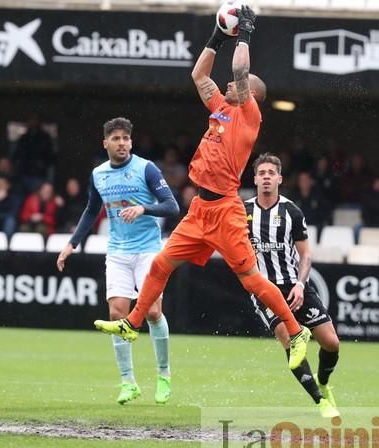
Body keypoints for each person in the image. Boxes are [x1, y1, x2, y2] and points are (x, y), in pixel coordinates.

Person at [94, 6, 311, 371]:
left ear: (250, 95)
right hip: (200, 208)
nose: (226, 86)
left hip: (226, 210)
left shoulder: (249, 115)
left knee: (252, 281)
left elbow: (240, 71)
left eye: (235, 86)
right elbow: (199, 74)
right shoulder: (223, 107)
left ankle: (295, 330)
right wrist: (217, 37)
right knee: (161, 264)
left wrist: (244, 32)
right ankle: (132, 325)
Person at [56, 117, 179, 404]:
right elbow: (91, 211)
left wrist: (143, 209)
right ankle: (128, 382)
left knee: (151, 312)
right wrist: (71, 244)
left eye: (126, 138)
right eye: (116, 139)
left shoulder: (146, 168)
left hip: (148, 250)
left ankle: (164, 375)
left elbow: (172, 206)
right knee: (116, 314)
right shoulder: (98, 174)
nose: (121, 143)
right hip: (118, 251)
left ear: (131, 142)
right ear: (106, 143)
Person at [245, 153, 341, 418]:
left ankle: (323, 381)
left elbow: (306, 255)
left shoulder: (292, 212)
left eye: (270, 173)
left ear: (279, 179)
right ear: (254, 178)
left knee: (331, 343)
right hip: (264, 289)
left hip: (295, 287)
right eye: (261, 173)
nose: (266, 177)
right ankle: (320, 401)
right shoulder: (243, 212)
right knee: (288, 339)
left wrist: (300, 284)